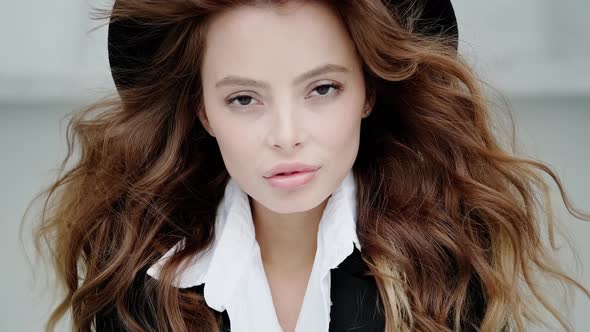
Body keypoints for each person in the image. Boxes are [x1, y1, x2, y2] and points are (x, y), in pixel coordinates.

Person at [27, 0, 590, 331]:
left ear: (368, 92)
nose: (287, 136)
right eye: (244, 99)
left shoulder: (443, 264)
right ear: (203, 111)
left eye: (322, 88)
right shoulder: (138, 283)